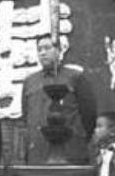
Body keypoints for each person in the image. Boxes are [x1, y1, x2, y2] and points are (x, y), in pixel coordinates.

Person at [21, 35, 96, 164]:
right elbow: (26, 115)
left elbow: (89, 114)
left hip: (69, 150)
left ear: (59, 50)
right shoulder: (30, 81)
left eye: (47, 48)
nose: (42, 53)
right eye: (39, 49)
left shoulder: (75, 77)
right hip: (38, 151)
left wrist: (78, 138)